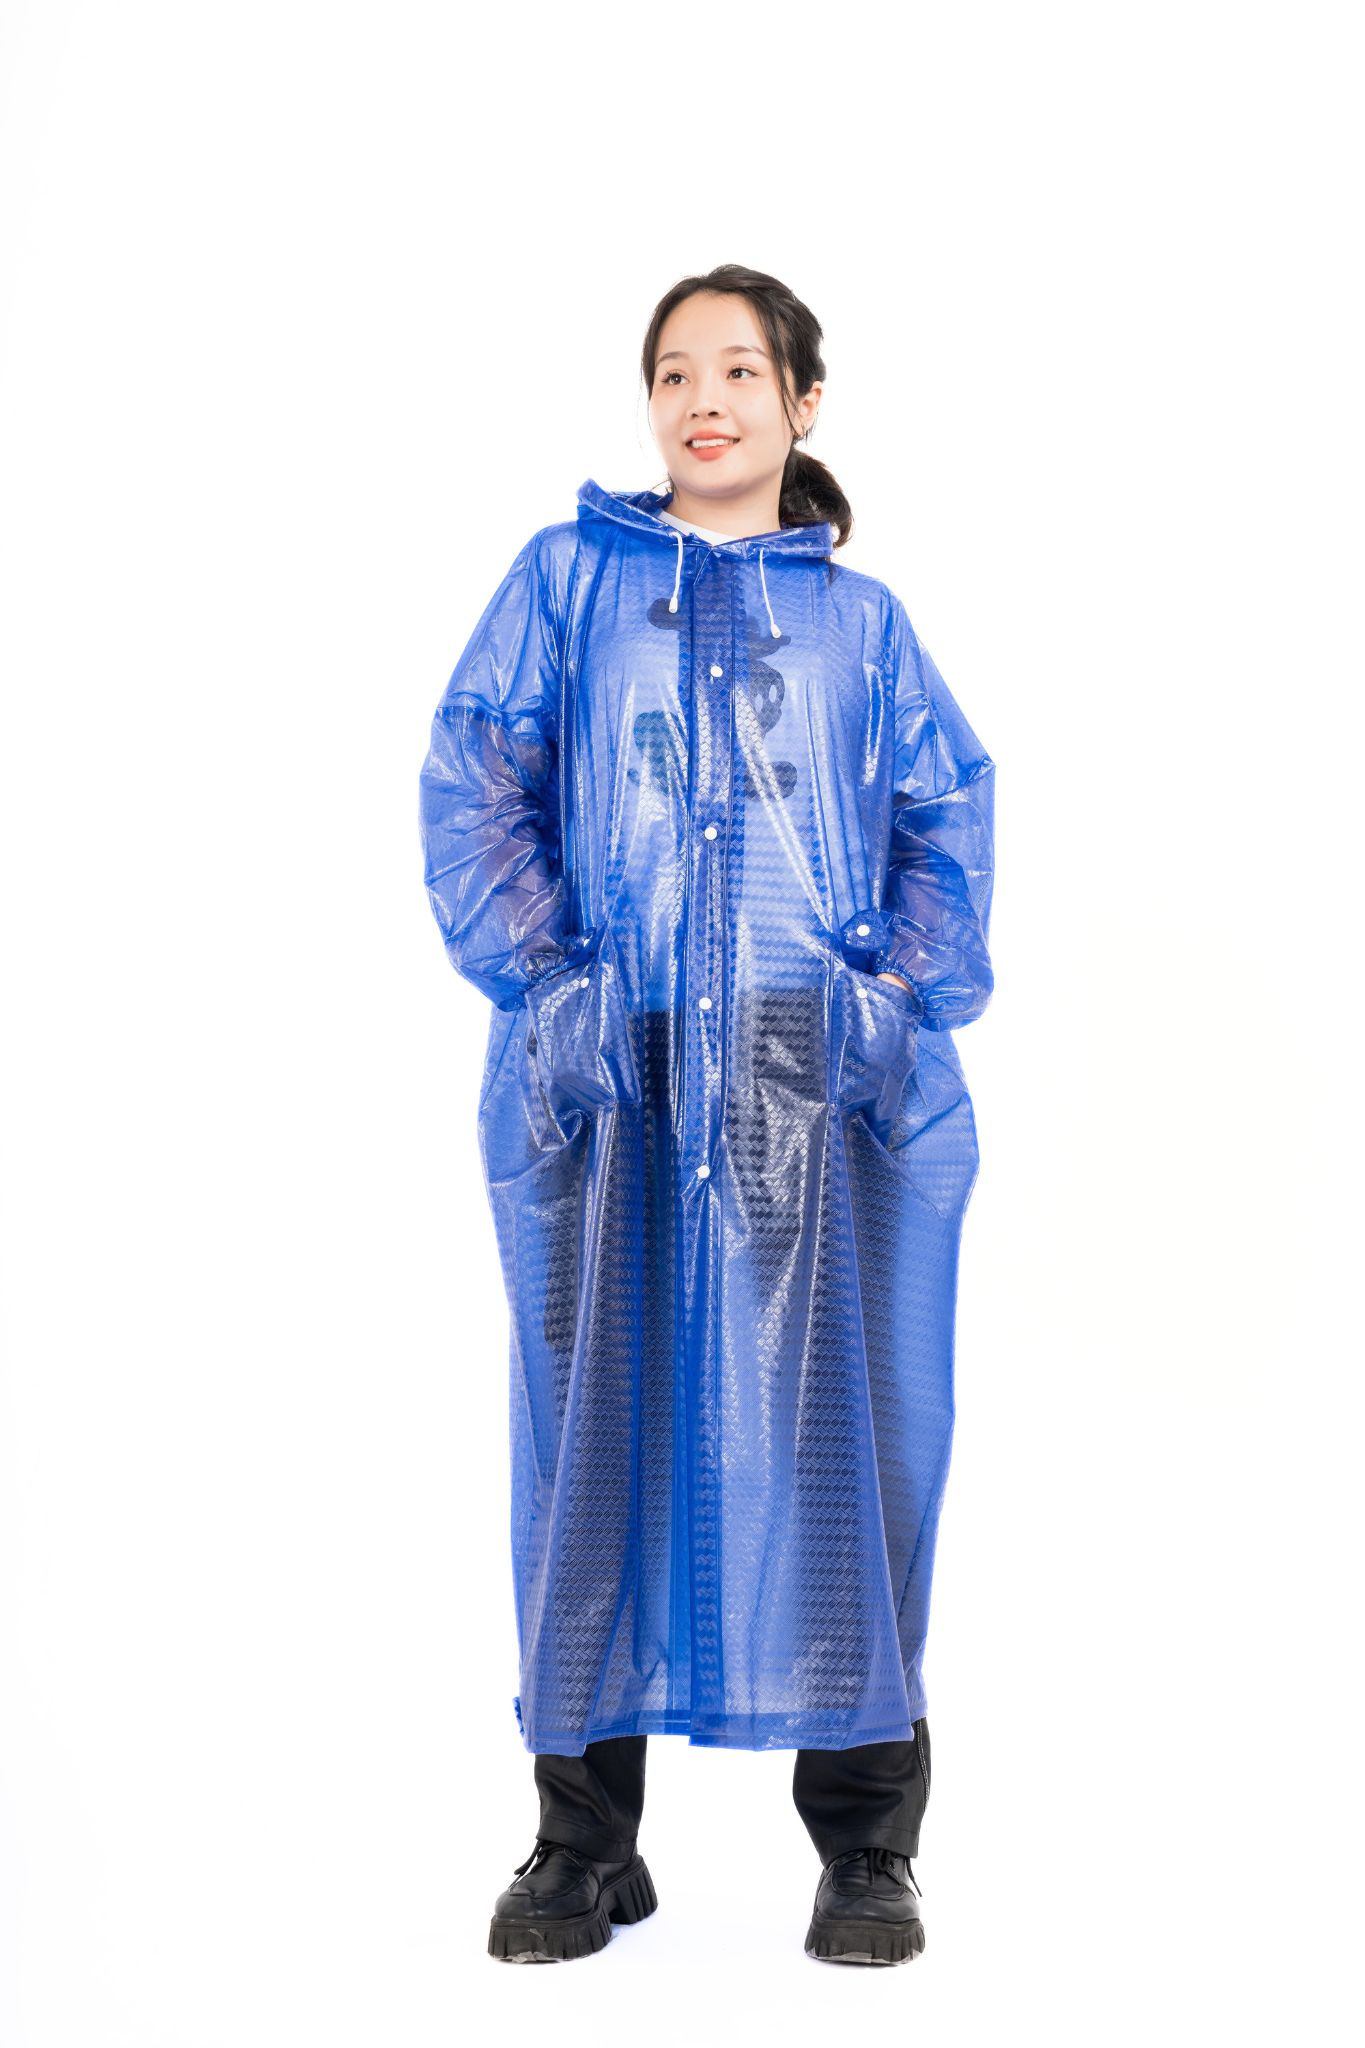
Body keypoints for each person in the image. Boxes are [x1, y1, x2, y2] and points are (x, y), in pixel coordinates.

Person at [417, 264, 995, 1967]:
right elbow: (476, 780)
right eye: (674, 372)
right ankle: (580, 1841)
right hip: (618, 1067)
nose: (703, 400)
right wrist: (555, 981)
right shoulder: (565, 582)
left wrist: (885, 1005)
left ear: (802, 403)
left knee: (849, 1436)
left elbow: (943, 820)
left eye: (739, 370)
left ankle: (867, 1846)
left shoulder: (862, 627)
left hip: (814, 1071)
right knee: (594, 1436)